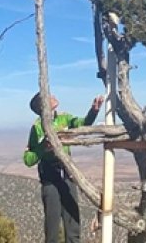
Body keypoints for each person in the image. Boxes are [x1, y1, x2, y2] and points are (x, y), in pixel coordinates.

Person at [24, 92, 103, 243]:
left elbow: (83, 124)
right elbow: (28, 159)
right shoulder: (37, 128)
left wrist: (94, 111)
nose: (53, 95)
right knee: (52, 227)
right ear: (42, 106)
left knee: (73, 223)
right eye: (48, 96)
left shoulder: (64, 118)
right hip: (50, 178)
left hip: (67, 174)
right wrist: (42, 148)